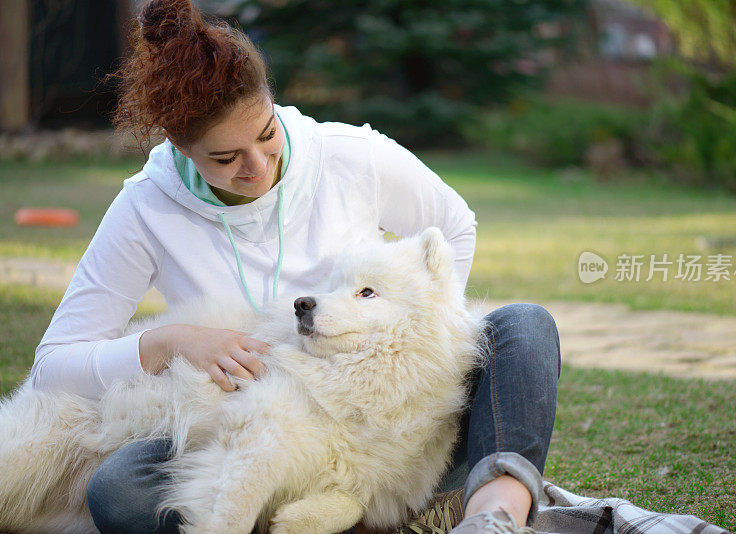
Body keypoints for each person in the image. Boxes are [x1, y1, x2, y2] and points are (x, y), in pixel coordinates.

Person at [31, 1, 560, 533]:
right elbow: (53, 363)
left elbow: (455, 225)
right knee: (118, 493)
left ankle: (493, 512)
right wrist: (170, 342)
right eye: (225, 158)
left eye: (266, 133)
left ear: (273, 102)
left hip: (402, 435)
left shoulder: (352, 156)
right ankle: (330, 506)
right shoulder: (145, 209)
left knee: (525, 327)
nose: (258, 167)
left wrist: (428, 334)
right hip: (256, 428)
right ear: (181, 147)